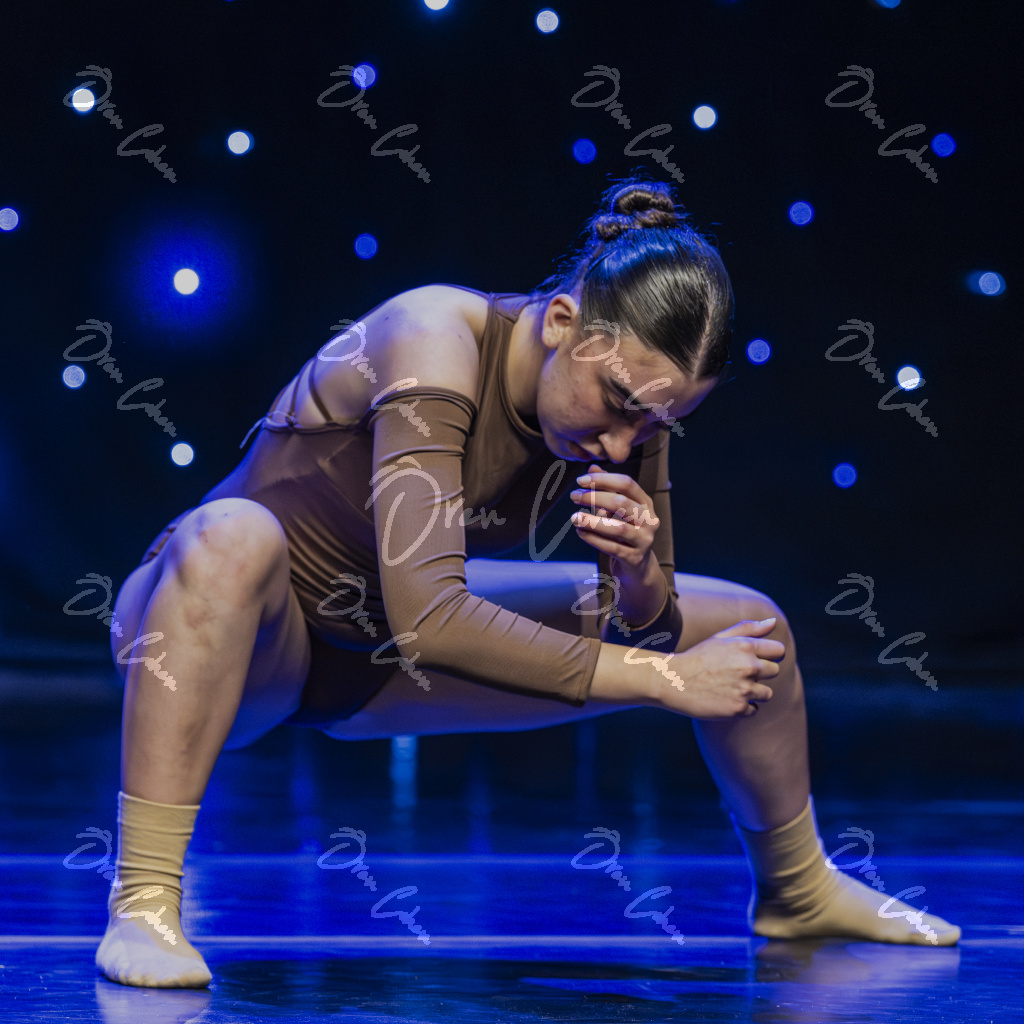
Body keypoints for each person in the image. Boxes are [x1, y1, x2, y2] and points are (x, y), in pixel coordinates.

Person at [97, 177, 959, 989]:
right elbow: (433, 618)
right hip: (237, 643)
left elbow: (651, 629)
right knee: (232, 535)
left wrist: (638, 576)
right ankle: (143, 904)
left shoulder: (636, 405)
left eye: (655, 424)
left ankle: (798, 891)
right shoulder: (432, 337)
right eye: (618, 403)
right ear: (562, 321)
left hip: (379, 662)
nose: (624, 443)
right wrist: (662, 679)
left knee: (749, 625)